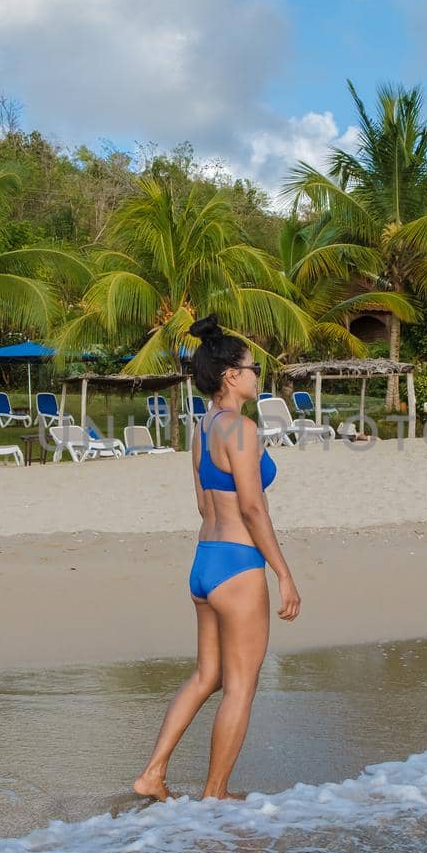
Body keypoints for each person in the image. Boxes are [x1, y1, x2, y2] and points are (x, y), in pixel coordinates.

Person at [132, 317, 301, 803]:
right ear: (231, 374)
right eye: (252, 369)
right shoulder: (242, 429)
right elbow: (252, 507)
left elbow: (202, 501)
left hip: (204, 562)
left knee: (208, 675)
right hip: (238, 566)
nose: (256, 377)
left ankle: (153, 773)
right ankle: (216, 794)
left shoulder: (203, 426)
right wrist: (283, 573)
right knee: (241, 686)